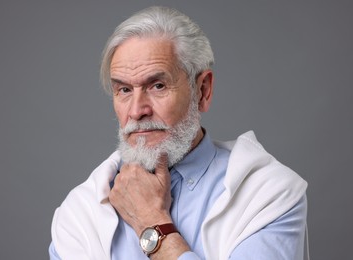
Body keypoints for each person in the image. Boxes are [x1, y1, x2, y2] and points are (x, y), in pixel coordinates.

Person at [49, 6, 308, 260]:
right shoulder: (79, 215)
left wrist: (152, 222)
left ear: (202, 91)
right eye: (124, 90)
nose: (137, 111)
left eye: (158, 85)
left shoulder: (266, 194)